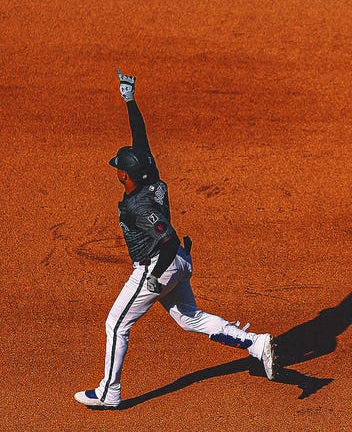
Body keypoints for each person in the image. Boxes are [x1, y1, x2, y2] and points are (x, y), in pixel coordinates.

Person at [74, 70, 277, 409]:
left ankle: (110, 391)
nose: (116, 171)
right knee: (190, 318)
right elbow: (142, 144)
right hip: (181, 261)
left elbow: (165, 240)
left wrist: (153, 277)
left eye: (117, 168)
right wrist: (130, 100)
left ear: (124, 174)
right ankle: (256, 344)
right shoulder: (150, 179)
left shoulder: (139, 206)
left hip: (160, 264)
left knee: (116, 324)